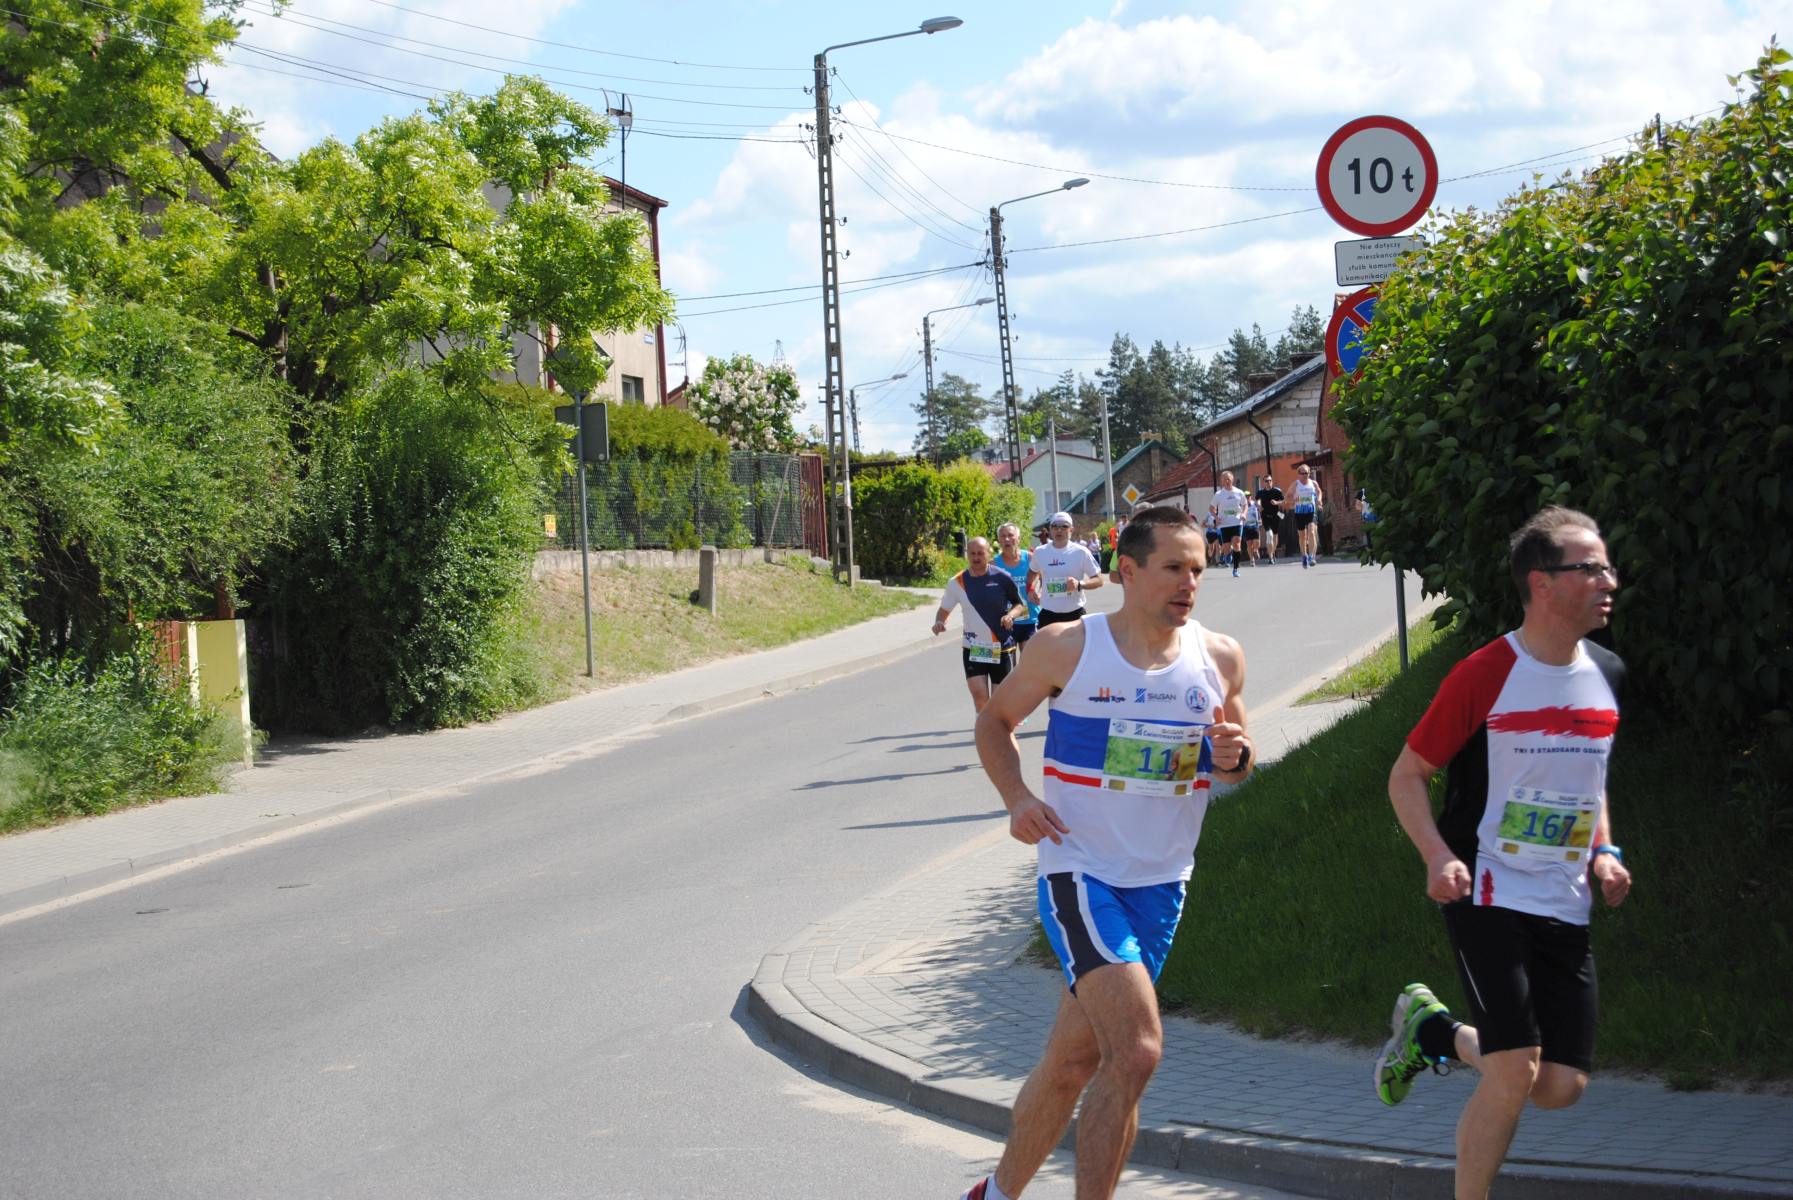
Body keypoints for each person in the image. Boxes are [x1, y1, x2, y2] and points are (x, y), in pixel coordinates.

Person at [959, 506, 1252, 1200]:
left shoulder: (1219, 658)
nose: (1189, 583)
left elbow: (1235, 764)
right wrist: (1017, 799)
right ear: (1128, 572)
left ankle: (991, 1196)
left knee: (1072, 1062)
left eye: (1198, 570)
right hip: (1081, 870)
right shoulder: (1067, 648)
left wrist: (1235, 758)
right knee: (1138, 1050)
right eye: (1173, 568)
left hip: (1163, 881)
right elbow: (995, 723)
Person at [1373, 506, 1629, 1200]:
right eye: (1591, 568)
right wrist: (1435, 855)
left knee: (1561, 1086)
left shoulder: (1607, 673)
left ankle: (1435, 1033)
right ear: (1541, 583)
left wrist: (1604, 851)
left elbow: (1589, 781)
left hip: (1564, 898)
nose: (1609, 580)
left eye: (1608, 567)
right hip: (1485, 888)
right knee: (1515, 1069)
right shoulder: (1485, 673)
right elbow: (1406, 775)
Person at [932, 536, 1030, 715]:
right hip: (974, 647)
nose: (976, 558)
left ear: (989, 554)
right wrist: (939, 622)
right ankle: (985, 730)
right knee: (980, 698)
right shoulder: (957, 582)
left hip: (1001, 647)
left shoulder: (1002, 577)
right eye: (972, 554)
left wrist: (1010, 616)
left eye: (980, 553)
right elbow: (944, 610)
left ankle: (1000, 729)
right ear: (967, 555)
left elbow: (1019, 605)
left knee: (1000, 701)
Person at [1028, 512, 1106, 629]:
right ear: (1050, 529)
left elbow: (1099, 579)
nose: (1059, 530)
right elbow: (1032, 572)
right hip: (1048, 615)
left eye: (1064, 526)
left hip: (1074, 614)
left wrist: (1079, 584)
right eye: (1055, 526)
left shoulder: (1081, 552)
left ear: (1071, 530)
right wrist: (1030, 589)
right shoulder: (1040, 552)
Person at [993, 522, 1040, 653]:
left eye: (1010, 535)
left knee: (1029, 661)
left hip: (1030, 619)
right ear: (999, 540)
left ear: (1018, 539)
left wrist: (1038, 591)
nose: (1007, 539)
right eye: (1003, 536)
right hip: (1006, 621)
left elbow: (1041, 577)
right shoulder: (993, 564)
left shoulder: (1031, 558)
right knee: (1008, 663)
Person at [1210, 471, 1248, 578]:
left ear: (1232, 479)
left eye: (1228, 478)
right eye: (1224, 479)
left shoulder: (1239, 492)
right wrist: (1216, 518)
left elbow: (1245, 505)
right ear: (1222, 481)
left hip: (1237, 521)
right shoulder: (1219, 494)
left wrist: (1244, 514)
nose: (1227, 481)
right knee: (1226, 548)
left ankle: (1235, 568)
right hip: (1224, 524)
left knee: (1237, 543)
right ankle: (1227, 554)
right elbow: (1211, 508)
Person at [1288, 465, 1323, 568]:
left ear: (1309, 473)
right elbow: (1288, 496)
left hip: (1311, 511)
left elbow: (1319, 491)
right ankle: (1304, 555)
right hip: (1299, 512)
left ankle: (1312, 557)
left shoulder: (1313, 483)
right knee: (1302, 536)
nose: (1305, 475)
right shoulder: (1295, 484)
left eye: (1307, 473)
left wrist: (1319, 499)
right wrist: (1293, 500)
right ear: (1299, 474)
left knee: (1311, 531)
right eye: (1302, 473)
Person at [1256, 475, 1284, 564]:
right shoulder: (1261, 492)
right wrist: (1259, 505)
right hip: (1265, 516)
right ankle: (1270, 556)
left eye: (1270, 480)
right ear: (1263, 482)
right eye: (1266, 481)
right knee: (1269, 535)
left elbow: (1284, 501)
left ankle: (1273, 552)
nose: (1268, 482)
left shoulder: (1277, 491)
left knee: (1275, 535)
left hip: (1276, 516)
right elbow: (1257, 500)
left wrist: (1277, 502)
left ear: (1272, 481)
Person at [1241, 496, 1261, 566]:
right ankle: (1252, 560)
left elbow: (1260, 507)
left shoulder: (1254, 504)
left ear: (1250, 497)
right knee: (1249, 544)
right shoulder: (1242, 506)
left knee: (1257, 542)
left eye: (1248, 497)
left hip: (1255, 525)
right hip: (1246, 527)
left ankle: (1255, 550)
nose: (1247, 498)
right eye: (1246, 497)